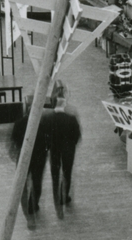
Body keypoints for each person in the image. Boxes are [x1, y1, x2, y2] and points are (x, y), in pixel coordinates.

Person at [9, 95, 54, 225]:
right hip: (39, 158)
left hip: (24, 157)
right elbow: (49, 142)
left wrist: (15, 152)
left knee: (22, 185)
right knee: (37, 182)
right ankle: (33, 206)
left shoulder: (19, 123)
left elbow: (14, 140)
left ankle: (26, 212)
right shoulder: (44, 124)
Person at [47, 81, 82, 217]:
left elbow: (46, 136)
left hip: (54, 150)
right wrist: (71, 145)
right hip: (68, 150)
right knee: (67, 174)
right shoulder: (71, 118)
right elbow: (77, 135)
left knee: (55, 175)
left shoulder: (49, 119)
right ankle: (64, 196)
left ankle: (57, 202)